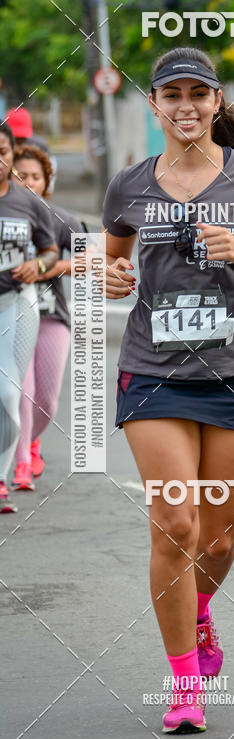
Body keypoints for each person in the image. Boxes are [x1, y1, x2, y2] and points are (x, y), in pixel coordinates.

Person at [101, 47, 234, 733]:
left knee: (216, 541)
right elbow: (110, 261)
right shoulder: (130, 184)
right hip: (152, 373)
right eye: (172, 94)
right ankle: (185, 683)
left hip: (233, 373)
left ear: (217, 101)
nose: (185, 106)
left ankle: (199, 612)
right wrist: (113, 279)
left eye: (199, 93)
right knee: (177, 523)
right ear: (154, 104)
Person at [11, 144, 85, 490]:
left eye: (35, 177)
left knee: (46, 401)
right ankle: (21, 462)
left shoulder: (59, 218)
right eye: (20, 175)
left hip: (51, 315)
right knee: (18, 393)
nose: (28, 183)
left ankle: (30, 441)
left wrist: (47, 268)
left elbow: (92, 258)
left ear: (45, 183)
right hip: (10, 314)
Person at [0, 126, 58, 512]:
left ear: (11, 152)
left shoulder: (28, 202)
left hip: (16, 303)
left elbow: (51, 249)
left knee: (7, 393)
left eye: (2, 150)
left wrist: (38, 264)